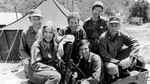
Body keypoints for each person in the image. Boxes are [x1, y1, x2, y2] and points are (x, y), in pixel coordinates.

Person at [99, 16, 140, 83]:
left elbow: (135, 43)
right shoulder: (103, 38)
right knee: (112, 68)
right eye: (112, 25)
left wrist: (130, 58)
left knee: (132, 55)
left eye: (116, 25)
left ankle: (122, 69)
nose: (114, 28)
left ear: (119, 26)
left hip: (118, 57)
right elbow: (104, 55)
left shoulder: (121, 34)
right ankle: (114, 77)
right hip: (107, 61)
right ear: (108, 26)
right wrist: (119, 62)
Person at [19, 9, 43, 76]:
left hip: (44, 60)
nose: (36, 21)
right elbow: (22, 49)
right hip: (30, 60)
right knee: (30, 77)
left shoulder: (46, 31)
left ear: (42, 19)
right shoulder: (25, 33)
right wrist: (28, 58)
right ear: (30, 20)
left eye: (38, 19)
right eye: (34, 19)